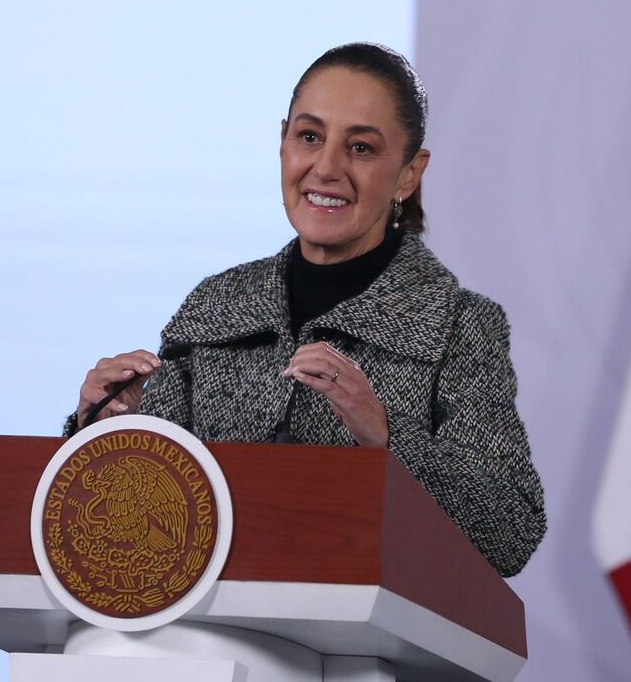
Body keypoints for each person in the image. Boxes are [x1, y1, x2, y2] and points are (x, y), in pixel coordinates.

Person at [66, 43, 546, 578]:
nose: (326, 167)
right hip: (204, 642)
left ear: (410, 174)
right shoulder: (216, 304)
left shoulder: (460, 326)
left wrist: (386, 437)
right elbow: (146, 514)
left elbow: (510, 531)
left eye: (361, 148)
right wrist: (105, 428)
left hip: (363, 655)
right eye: (309, 137)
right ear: (283, 144)